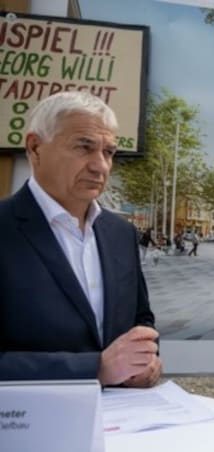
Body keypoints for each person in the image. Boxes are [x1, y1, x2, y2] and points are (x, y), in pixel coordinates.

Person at [0, 91, 162, 387]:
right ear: (35, 148)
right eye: (84, 147)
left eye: (109, 152)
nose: (100, 166)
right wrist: (95, 368)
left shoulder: (120, 233)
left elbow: (141, 318)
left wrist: (144, 359)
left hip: (124, 422)